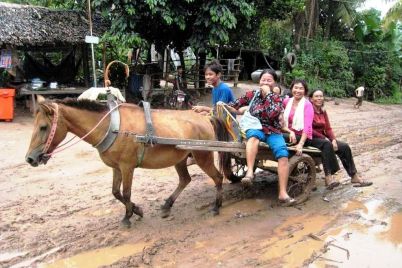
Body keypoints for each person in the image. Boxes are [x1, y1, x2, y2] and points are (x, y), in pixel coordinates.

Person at [225, 69, 295, 206]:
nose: (265, 82)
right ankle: (250, 173)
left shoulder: (277, 97)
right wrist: (220, 107)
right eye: (263, 80)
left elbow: (272, 113)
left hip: (273, 130)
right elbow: (235, 105)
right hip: (255, 127)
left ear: (274, 82)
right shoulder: (253, 94)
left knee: (283, 155)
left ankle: (282, 193)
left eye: (269, 80)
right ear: (259, 81)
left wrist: (268, 93)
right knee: (253, 137)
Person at [309, 89, 373, 187]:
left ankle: (354, 176)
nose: (319, 98)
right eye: (316, 96)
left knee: (344, 147)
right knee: (327, 145)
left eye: (321, 96)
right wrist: (325, 139)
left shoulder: (323, 111)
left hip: (323, 139)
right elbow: (309, 128)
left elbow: (328, 128)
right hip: (311, 137)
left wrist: (333, 139)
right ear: (311, 98)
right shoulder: (308, 110)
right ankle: (328, 177)